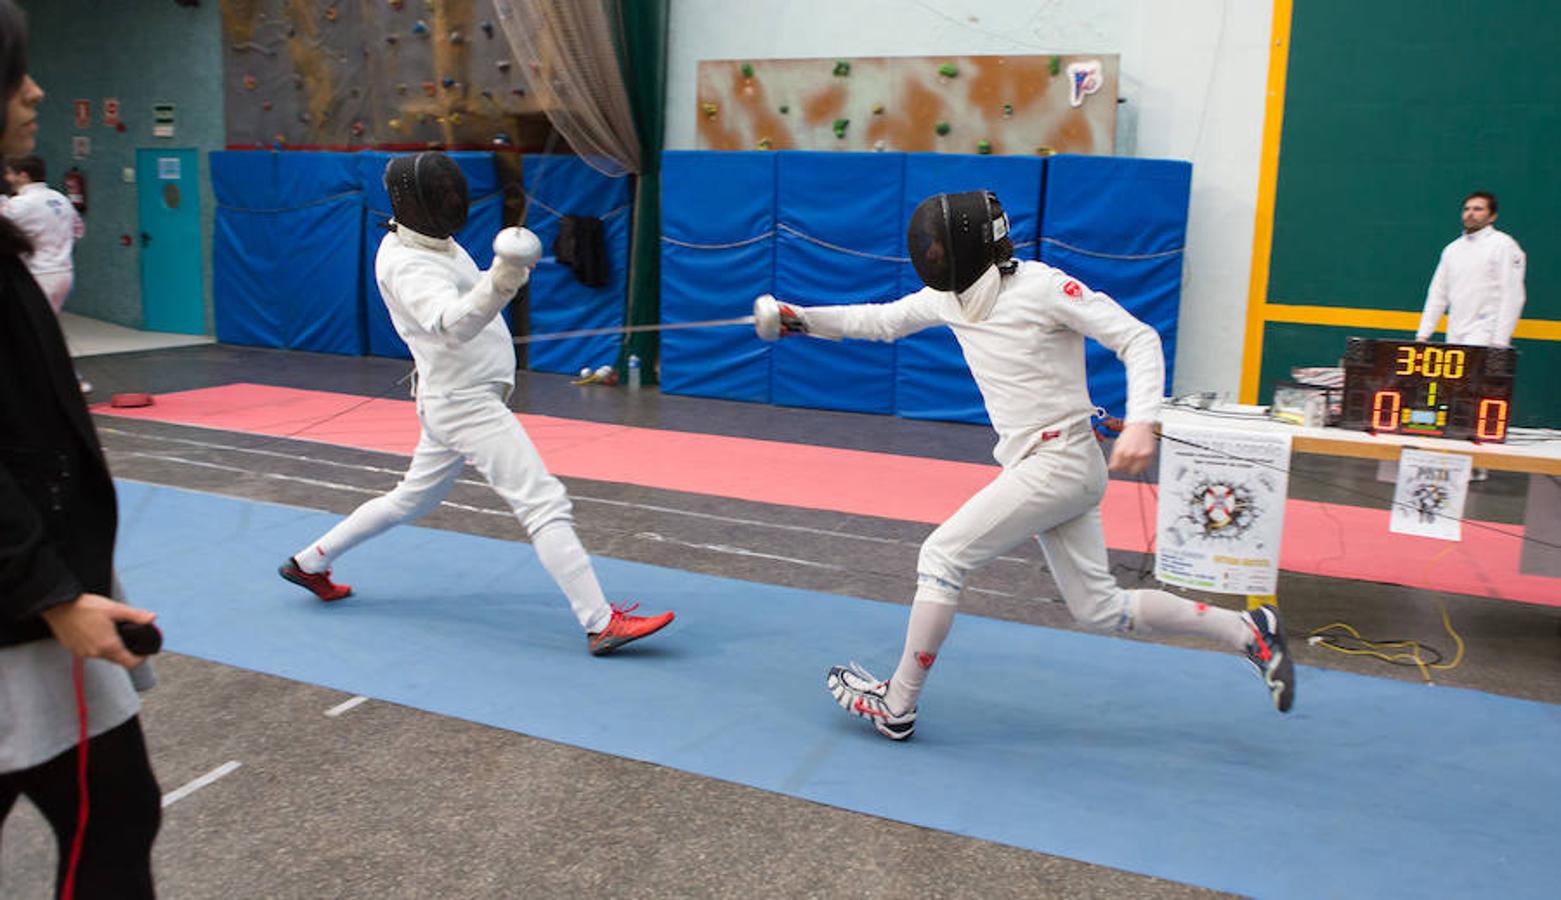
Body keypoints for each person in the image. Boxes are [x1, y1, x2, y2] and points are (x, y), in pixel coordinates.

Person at [754, 190, 1295, 741]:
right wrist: (800, 320)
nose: (931, 255)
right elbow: (878, 321)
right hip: (1051, 468)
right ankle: (1247, 630)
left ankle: (898, 703)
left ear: (965, 247)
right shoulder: (951, 299)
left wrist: (1142, 422)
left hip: (1058, 462)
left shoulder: (1040, 287)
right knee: (1099, 609)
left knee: (942, 556)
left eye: (939, 246)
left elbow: (1138, 337)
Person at [279, 151, 674, 656]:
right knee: (542, 501)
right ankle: (600, 621)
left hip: (454, 396)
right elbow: (456, 323)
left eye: (451, 193)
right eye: (439, 195)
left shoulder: (434, 243)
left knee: (409, 499)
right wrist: (504, 275)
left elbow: (474, 300)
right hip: (464, 403)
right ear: (414, 202)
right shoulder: (407, 264)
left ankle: (309, 562)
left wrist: (505, 274)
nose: (449, 201)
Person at [0, 1, 162, 895]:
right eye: (14, 74)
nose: (34, 90)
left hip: (43, 586)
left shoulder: (22, 220)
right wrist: (52, 593)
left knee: (118, 809)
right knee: (113, 809)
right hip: (24, 608)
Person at [1415, 191, 1526, 348]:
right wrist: (1423, 335)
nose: (1470, 213)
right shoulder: (1452, 249)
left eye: (1478, 209)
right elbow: (1438, 294)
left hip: (1487, 334)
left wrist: (1500, 341)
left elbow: (1513, 295)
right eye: (1467, 209)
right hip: (1455, 333)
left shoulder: (1504, 245)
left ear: (1492, 216)